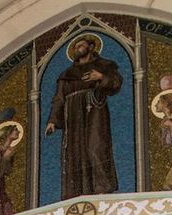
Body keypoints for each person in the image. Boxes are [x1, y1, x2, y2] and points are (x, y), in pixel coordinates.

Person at [45, 35, 122, 200]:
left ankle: (102, 188)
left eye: (80, 45)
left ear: (91, 47)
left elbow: (116, 82)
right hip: (72, 115)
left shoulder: (104, 66)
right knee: (74, 152)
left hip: (94, 109)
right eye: (75, 47)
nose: (77, 49)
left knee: (96, 146)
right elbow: (59, 98)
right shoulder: (66, 74)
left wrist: (100, 77)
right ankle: (76, 192)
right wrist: (52, 120)